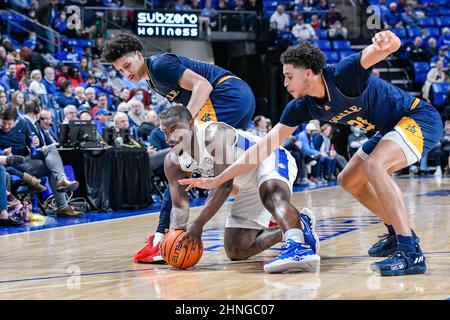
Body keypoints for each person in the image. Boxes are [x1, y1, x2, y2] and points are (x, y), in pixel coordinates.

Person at [180, 32, 444, 276]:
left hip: (418, 118)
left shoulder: (344, 74)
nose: (284, 83)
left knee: (374, 166)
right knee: (348, 179)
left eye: (288, 76)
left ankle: (410, 252)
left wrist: (389, 41)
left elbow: (383, 49)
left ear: (308, 73)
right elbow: (263, 148)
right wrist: (216, 180)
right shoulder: (300, 108)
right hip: (388, 130)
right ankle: (397, 233)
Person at [102, 33, 256, 264]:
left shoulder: (160, 65)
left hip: (225, 96)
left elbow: (202, 86)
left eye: (127, 65)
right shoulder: (152, 77)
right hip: (237, 96)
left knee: (179, 160)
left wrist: (184, 126)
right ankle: (266, 210)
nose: (125, 73)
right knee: (221, 170)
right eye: (120, 71)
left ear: (138, 55)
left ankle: (163, 234)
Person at [155, 105, 320, 273]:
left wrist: (198, 224)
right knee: (236, 249)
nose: (169, 138)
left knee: (271, 195)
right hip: (246, 184)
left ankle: (298, 247)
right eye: (165, 131)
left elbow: (224, 185)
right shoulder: (172, 161)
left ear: (190, 124)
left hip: (269, 158)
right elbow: (179, 204)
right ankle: (300, 224)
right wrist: (177, 232)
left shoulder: (213, 135)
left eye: (175, 129)